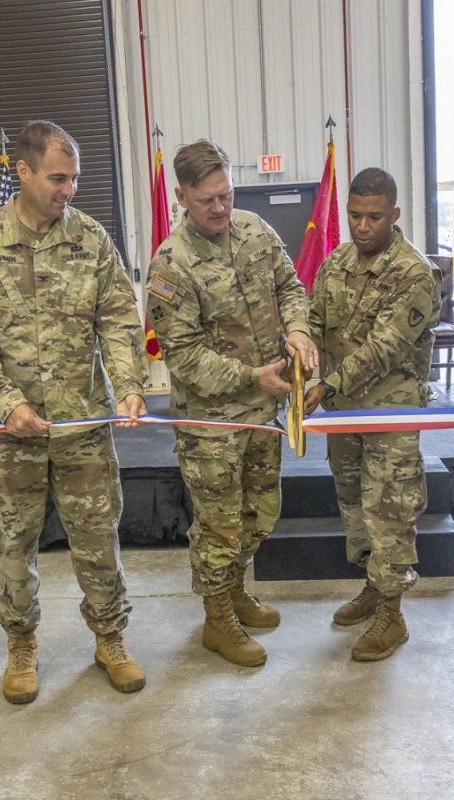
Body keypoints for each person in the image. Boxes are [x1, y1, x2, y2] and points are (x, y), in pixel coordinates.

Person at [0, 120, 149, 702]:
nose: (70, 190)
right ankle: (21, 645)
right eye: (58, 178)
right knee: (12, 548)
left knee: (98, 541)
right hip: (8, 434)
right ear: (23, 172)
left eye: (75, 178)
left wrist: (130, 385)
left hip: (83, 425)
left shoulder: (91, 240)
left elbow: (117, 320)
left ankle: (110, 638)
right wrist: (7, 404)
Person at [146, 139, 317, 667]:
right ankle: (217, 618)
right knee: (219, 525)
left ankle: (237, 590)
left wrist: (297, 328)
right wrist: (251, 377)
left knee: (258, 512)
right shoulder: (171, 265)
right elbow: (184, 357)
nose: (220, 208)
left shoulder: (254, 230)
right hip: (212, 425)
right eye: (207, 201)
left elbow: (290, 284)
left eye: (226, 194)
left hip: (264, 416)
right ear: (181, 197)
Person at [303, 168, 441, 661]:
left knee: (391, 509)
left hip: (389, 414)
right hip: (344, 415)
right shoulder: (336, 262)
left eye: (374, 217)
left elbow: (384, 349)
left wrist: (327, 383)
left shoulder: (414, 273)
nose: (362, 226)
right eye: (356, 216)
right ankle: (373, 586)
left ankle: (392, 614)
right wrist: (297, 346)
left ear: (395, 215)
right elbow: (314, 317)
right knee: (355, 505)